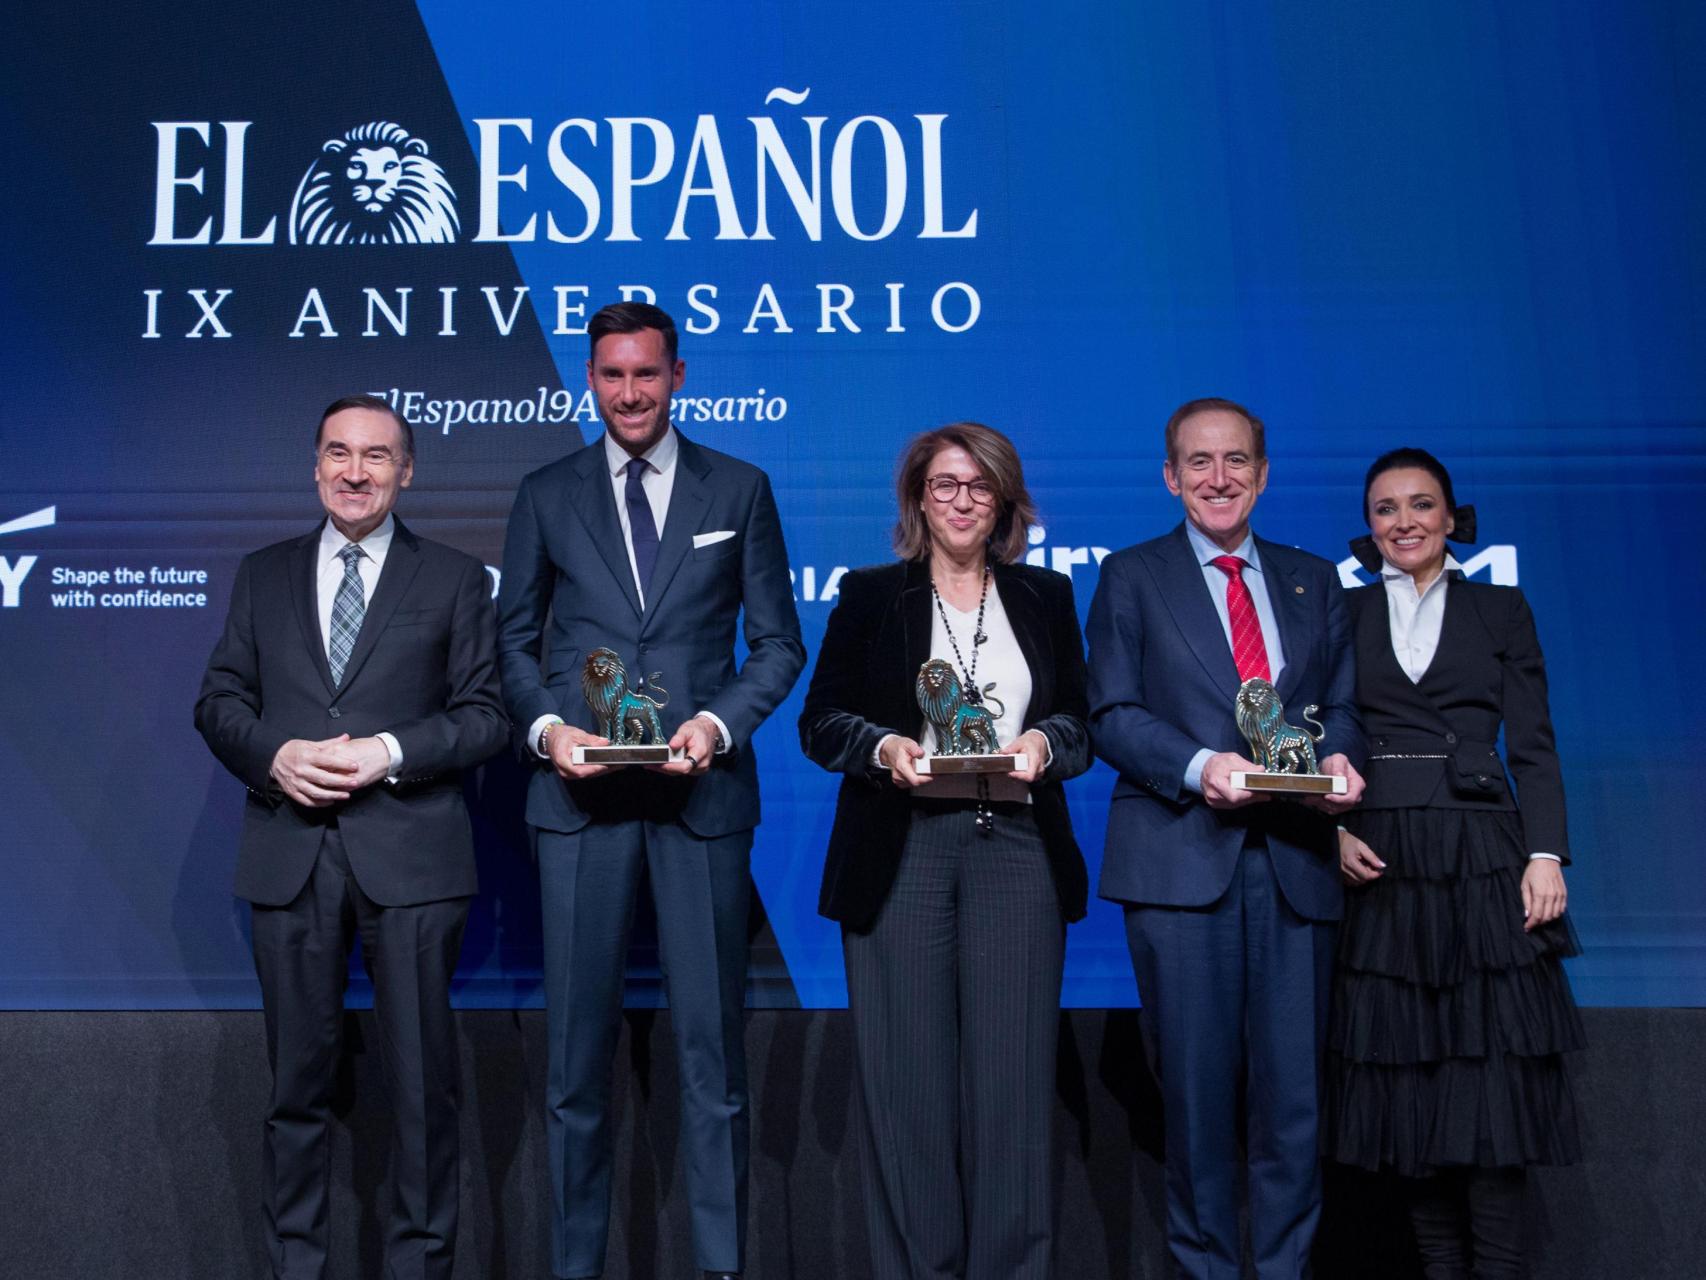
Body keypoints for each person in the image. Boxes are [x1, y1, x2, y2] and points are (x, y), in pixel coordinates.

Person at [497, 301, 804, 1280]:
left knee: (712, 1061)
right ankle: (575, 1265)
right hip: (577, 804)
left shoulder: (740, 487)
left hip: (699, 802)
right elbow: (511, 642)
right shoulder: (545, 491)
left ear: (677, 373)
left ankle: (720, 1265)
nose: (628, 393)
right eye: (610, 376)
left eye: (645, 373)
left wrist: (714, 723)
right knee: (573, 1064)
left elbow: (777, 643)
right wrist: (552, 731)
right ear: (590, 380)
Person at [195, 394, 508, 1280]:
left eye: (377, 456)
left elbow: (485, 716)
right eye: (338, 452)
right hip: (289, 856)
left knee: (420, 1091)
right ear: (316, 464)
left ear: (406, 472)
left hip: (412, 859)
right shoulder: (262, 574)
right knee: (296, 1089)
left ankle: (420, 1267)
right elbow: (218, 703)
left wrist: (389, 750)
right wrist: (276, 754)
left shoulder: (453, 578)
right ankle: (298, 1267)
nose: (355, 471)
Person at [799, 421, 1091, 1279]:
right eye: (944, 485)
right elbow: (821, 724)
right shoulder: (870, 593)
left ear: (1002, 501)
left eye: (979, 486)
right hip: (903, 850)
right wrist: (886, 747)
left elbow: (1081, 724)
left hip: (1018, 849)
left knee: (1013, 1095)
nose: (962, 501)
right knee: (907, 1098)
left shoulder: (1045, 595)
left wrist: (1042, 746)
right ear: (918, 499)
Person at [1085, 397, 1366, 1279]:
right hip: (1181, 863)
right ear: (1172, 477)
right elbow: (1112, 714)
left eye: (1236, 461)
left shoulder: (1313, 579)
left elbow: (1344, 708)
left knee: (1294, 1106)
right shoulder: (1132, 575)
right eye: (1198, 463)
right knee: (1198, 1105)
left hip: (1295, 865)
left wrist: (1347, 769)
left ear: (1263, 473)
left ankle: (1283, 1270)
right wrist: (1204, 765)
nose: (1219, 478)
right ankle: (1205, 1268)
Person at [1328, 448, 1584, 1279]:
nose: (1404, 521)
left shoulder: (1502, 608)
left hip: (1483, 855)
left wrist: (1545, 852)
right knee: (1411, 1099)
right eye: (1386, 508)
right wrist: (1328, 831)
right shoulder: (1343, 611)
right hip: (1381, 858)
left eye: (1420, 504)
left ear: (1449, 517)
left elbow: (1535, 746)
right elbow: (1319, 735)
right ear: (1369, 526)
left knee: (1491, 1091)